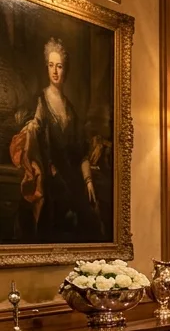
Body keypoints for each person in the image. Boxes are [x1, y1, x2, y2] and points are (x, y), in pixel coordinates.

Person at [9, 37, 103, 242]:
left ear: (65, 70)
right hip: (49, 177)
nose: (54, 71)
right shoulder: (40, 101)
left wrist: (88, 181)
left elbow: (82, 153)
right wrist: (31, 128)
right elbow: (33, 128)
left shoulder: (71, 110)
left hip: (71, 178)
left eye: (59, 66)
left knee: (90, 219)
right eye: (51, 65)